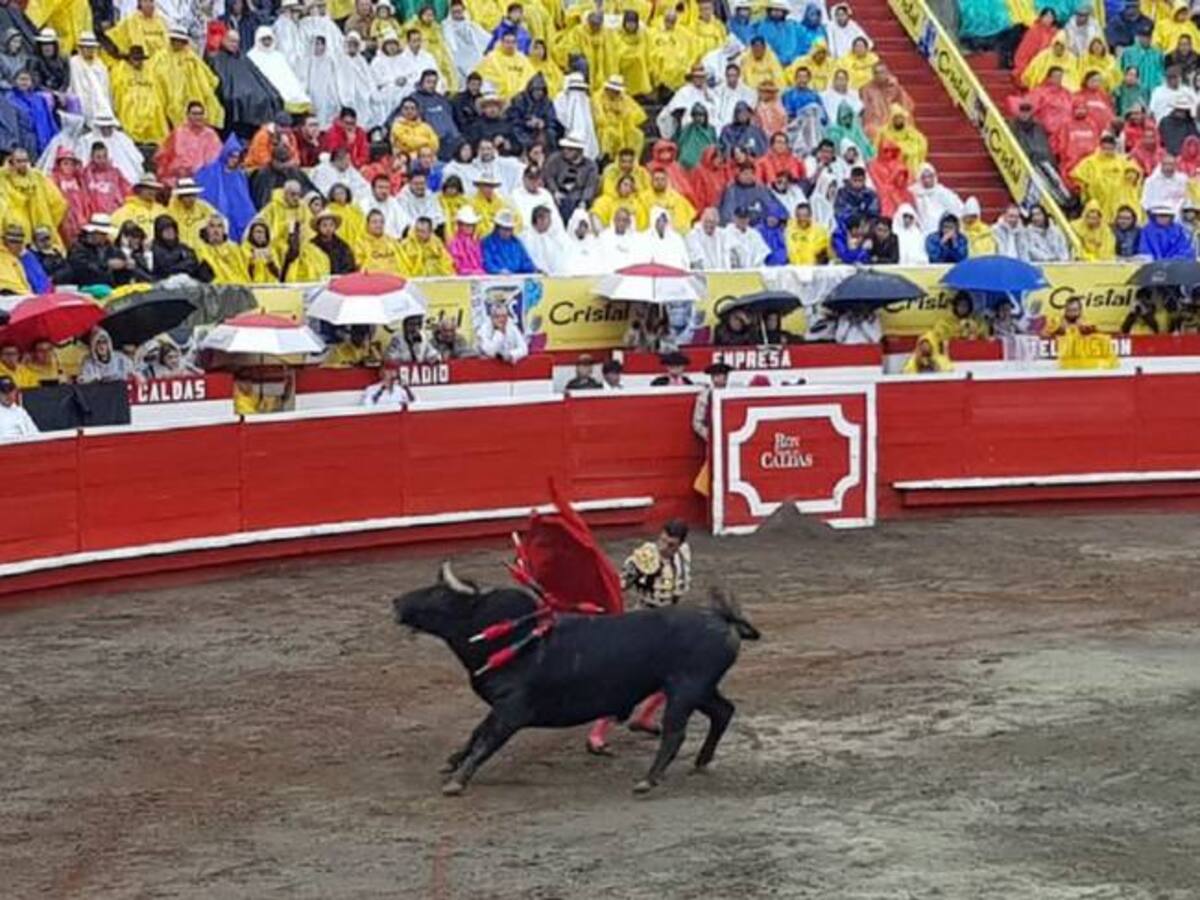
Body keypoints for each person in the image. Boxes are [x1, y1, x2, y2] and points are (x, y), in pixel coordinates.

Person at [481, 209, 535, 273]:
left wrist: (533, 269)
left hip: (517, 277)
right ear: (497, 228)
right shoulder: (488, 242)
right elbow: (487, 263)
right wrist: (498, 271)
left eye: (509, 229)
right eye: (504, 228)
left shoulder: (516, 243)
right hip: (496, 277)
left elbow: (526, 262)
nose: (507, 232)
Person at [692, 361, 729, 441]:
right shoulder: (704, 396)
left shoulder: (731, 394)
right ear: (712, 378)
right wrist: (711, 437)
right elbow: (697, 423)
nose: (721, 379)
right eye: (717, 376)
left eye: (724, 376)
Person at [0, 374, 36, 438]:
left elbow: (35, 434)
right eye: (4, 391)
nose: (8, 395)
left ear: (15, 391)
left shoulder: (21, 412)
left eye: (10, 390)